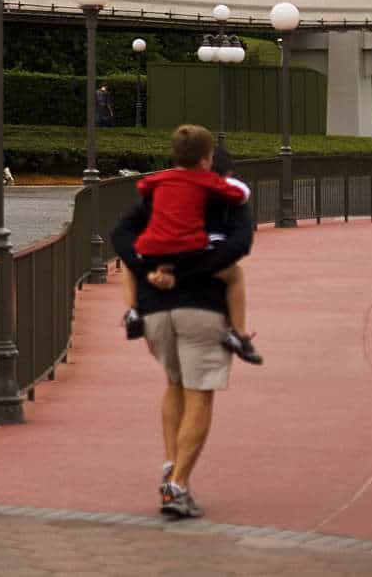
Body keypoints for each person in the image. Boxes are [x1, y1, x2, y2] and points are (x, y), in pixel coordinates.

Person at [110, 126, 255, 520]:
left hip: (156, 309)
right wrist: (191, 274)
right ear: (212, 166)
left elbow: (120, 233)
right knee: (200, 394)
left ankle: (170, 468)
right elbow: (240, 246)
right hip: (202, 310)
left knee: (174, 384)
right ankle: (176, 485)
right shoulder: (226, 198)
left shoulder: (158, 192)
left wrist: (147, 269)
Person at [118, 125, 260, 365]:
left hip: (154, 250)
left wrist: (146, 270)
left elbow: (141, 191)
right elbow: (239, 195)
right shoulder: (208, 184)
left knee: (130, 263)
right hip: (190, 252)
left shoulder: (162, 181)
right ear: (206, 161)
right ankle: (239, 333)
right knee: (235, 275)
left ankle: (133, 310)